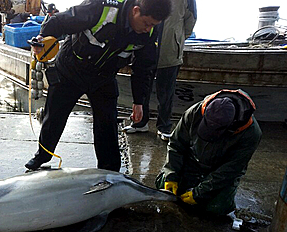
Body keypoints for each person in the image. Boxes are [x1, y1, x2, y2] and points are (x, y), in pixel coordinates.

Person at [25, 0, 172, 172]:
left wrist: (139, 101)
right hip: (71, 69)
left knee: (107, 124)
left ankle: (109, 171)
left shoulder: (150, 32)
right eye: (147, 23)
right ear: (135, 10)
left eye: (153, 25)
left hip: (103, 77)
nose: (148, 29)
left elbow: (144, 68)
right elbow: (60, 21)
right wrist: (43, 37)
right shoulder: (102, 7)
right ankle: (43, 155)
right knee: (54, 116)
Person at [155, 89, 262, 215]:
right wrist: (171, 175)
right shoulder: (195, 112)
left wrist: (199, 193)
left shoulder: (251, 133)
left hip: (219, 171)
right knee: (162, 185)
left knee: (217, 208)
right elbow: (176, 145)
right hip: (192, 162)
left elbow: (231, 169)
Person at [123, 0, 197, 141]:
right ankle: (140, 123)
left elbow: (190, 20)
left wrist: (178, 38)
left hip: (170, 49)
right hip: (146, 46)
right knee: (143, 84)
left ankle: (164, 127)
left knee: (166, 92)